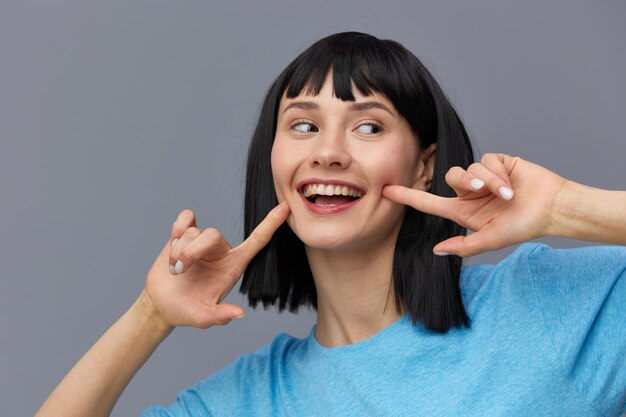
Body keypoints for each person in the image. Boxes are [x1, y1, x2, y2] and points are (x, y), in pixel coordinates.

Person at [35, 32, 626, 417]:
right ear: (274, 161)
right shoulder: (253, 399)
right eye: (303, 125)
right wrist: (150, 316)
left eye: (368, 127)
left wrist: (566, 209)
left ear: (425, 166)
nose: (329, 153)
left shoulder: (541, 307)